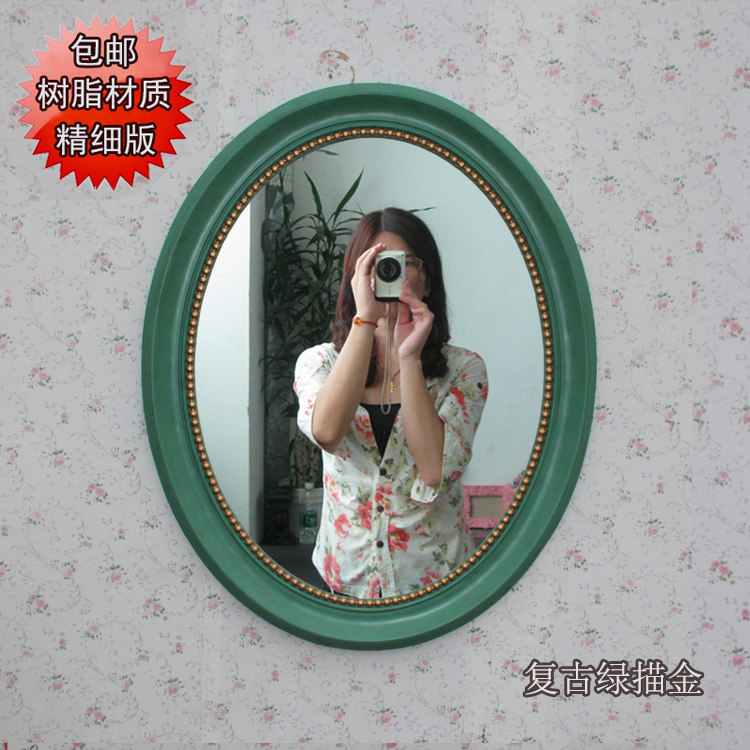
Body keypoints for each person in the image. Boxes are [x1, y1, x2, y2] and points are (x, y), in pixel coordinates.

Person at [294, 207, 488, 599]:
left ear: (427, 279)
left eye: (403, 263)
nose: (388, 274)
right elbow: (326, 432)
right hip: (346, 576)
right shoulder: (319, 362)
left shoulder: (464, 369)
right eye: (376, 264)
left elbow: (435, 470)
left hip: (437, 579)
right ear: (355, 278)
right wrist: (365, 320)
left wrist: (410, 358)